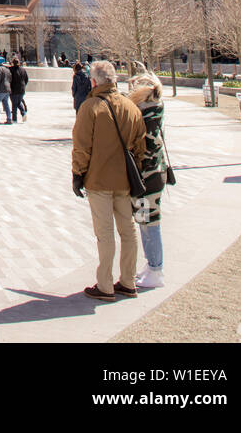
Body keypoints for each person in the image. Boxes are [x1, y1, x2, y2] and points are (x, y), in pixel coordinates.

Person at [71, 59, 147, 302]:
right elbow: (139, 146)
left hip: (99, 181)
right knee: (128, 230)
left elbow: (82, 147)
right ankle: (128, 281)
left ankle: (105, 285)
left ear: (94, 81)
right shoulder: (131, 107)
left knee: (105, 234)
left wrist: (77, 174)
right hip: (124, 181)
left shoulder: (90, 107)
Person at [129, 71, 168, 290]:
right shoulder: (156, 108)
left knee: (149, 222)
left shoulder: (144, 114)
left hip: (147, 175)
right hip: (156, 172)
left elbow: (143, 145)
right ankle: (152, 265)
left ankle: (156, 269)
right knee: (145, 221)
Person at [9, 56, 28, 122]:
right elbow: (26, 79)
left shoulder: (11, 69)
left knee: (14, 104)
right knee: (18, 102)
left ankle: (14, 119)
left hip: (14, 89)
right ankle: (23, 114)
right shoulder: (23, 70)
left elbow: (9, 79)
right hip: (22, 89)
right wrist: (24, 85)